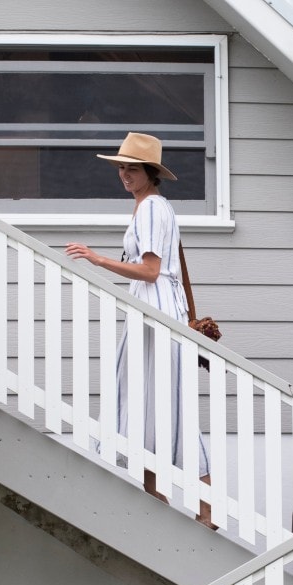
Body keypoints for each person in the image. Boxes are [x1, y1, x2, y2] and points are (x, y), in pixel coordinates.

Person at [65, 132, 215, 529]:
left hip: (155, 309)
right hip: (157, 308)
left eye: (132, 168)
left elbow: (150, 271)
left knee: (161, 398)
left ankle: (201, 507)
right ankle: (161, 493)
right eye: (121, 167)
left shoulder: (150, 208)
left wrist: (96, 259)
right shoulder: (155, 208)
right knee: (153, 397)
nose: (124, 174)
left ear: (151, 173)